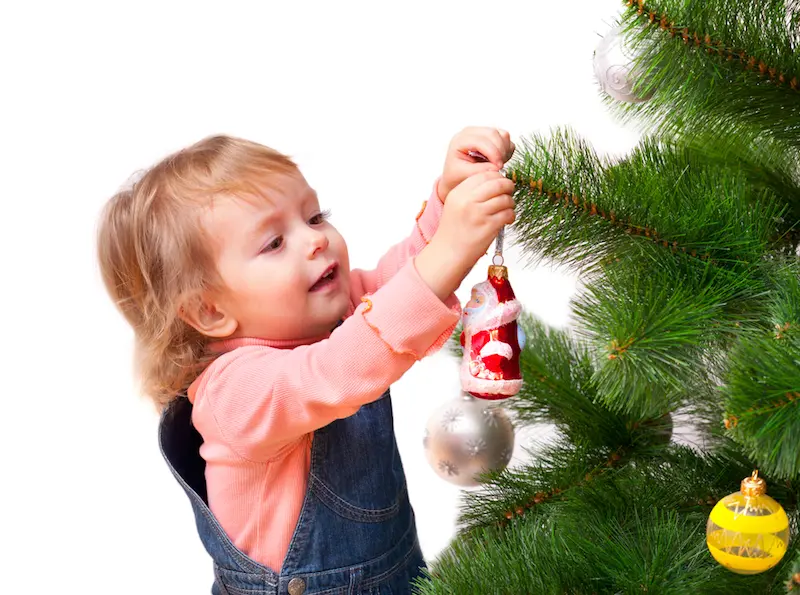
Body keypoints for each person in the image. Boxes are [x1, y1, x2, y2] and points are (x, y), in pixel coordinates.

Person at [97, 127, 516, 594]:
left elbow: (395, 288)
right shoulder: (233, 394)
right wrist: (451, 251)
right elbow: (336, 369)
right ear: (210, 311)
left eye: (316, 216)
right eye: (274, 243)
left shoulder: (328, 312)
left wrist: (448, 200)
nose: (315, 240)